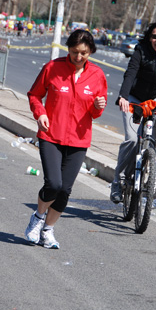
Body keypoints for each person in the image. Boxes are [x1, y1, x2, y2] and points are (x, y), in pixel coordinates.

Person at [25, 29, 107, 249]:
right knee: (53, 183)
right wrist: (40, 113)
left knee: (65, 190)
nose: (78, 57)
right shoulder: (53, 68)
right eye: (74, 52)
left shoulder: (97, 75)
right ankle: (38, 217)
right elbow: (34, 95)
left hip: (79, 140)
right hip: (51, 134)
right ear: (68, 49)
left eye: (83, 53)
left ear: (90, 52)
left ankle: (48, 231)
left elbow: (96, 111)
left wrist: (98, 107)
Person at [110, 21, 156, 202]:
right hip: (135, 98)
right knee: (131, 139)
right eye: (155, 36)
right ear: (149, 37)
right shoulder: (140, 51)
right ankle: (118, 183)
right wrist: (123, 96)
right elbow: (130, 73)